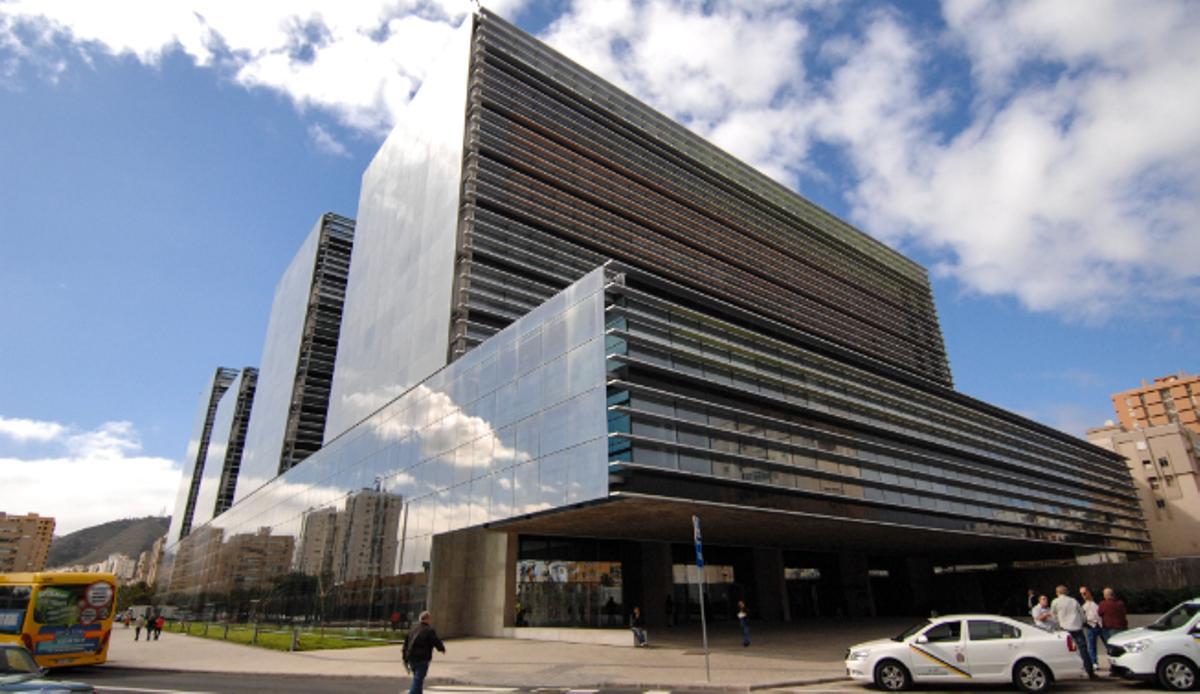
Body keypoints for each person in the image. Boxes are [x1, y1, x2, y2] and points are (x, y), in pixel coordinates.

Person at [1051, 585, 1095, 679]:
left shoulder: (1055, 602)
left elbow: (1053, 615)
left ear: (1057, 593)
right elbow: (1081, 613)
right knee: (1083, 649)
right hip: (1077, 627)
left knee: (1066, 650)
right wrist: (1083, 622)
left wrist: (1058, 624)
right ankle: (1089, 671)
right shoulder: (1073, 601)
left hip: (1064, 628)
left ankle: (1068, 671)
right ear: (1066, 592)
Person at [403, 611, 446, 694]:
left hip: (411, 657)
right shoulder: (429, 630)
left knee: (418, 678)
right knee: (418, 679)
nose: (431, 620)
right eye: (430, 619)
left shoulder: (412, 629)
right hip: (422, 658)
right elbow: (435, 641)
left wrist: (404, 658)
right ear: (427, 619)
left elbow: (405, 644)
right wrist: (441, 649)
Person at [1078, 587, 1102, 669]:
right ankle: (1094, 662)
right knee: (1092, 645)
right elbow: (1081, 617)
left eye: (1084, 593)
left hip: (1101, 625)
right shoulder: (1083, 606)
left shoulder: (1096, 602)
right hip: (1091, 626)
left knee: (1107, 644)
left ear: (1088, 592)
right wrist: (1086, 624)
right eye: (1081, 594)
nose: (1083, 595)